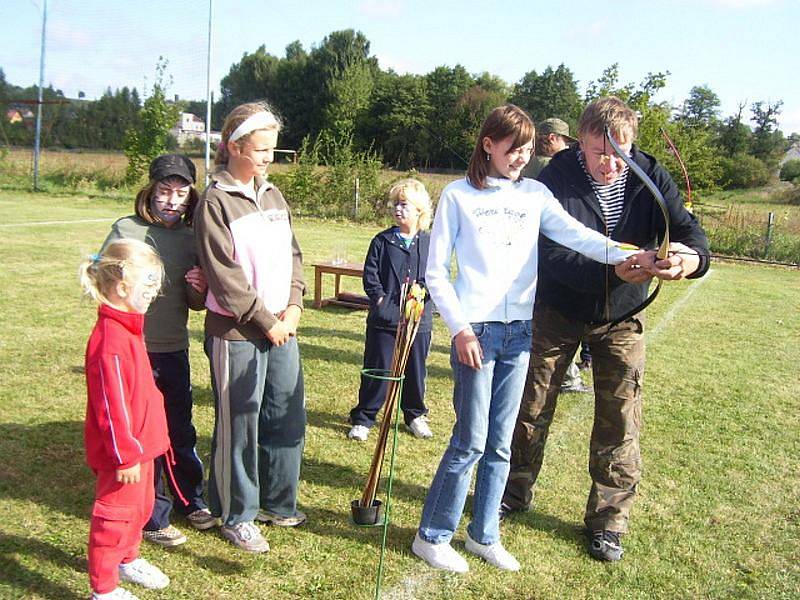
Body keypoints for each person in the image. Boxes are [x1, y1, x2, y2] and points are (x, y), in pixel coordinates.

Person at [411, 104, 640, 574]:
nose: (520, 156)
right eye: (512, 148)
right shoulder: (457, 196)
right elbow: (435, 272)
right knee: (469, 441)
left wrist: (630, 255)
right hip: (476, 332)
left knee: (500, 442)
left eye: (528, 149)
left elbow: (580, 236)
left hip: (521, 333)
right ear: (488, 145)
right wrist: (459, 328)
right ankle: (431, 536)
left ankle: (483, 535)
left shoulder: (534, 194)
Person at [502, 96, 710, 562]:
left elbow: (690, 232)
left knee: (619, 418)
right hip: (557, 310)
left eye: (622, 154)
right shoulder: (554, 177)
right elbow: (547, 253)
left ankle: (608, 521)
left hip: (621, 317)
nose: (612, 165)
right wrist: (612, 270)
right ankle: (511, 493)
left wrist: (687, 260)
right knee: (530, 406)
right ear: (582, 142)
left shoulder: (650, 175)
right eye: (601, 153)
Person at [194, 101, 306, 553]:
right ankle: (236, 514)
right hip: (236, 333)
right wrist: (266, 321)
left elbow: (293, 255)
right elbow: (225, 276)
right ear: (233, 145)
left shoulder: (274, 195)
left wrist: (293, 307)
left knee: (285, 414)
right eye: (260, 150)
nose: (267, 159)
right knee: (240, 422)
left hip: (283, 327)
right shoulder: (214, 202)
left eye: (272, 151)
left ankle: (278, 503)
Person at [101, 154, 216, 549]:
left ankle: (191, 499)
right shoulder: (125, 229)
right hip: (133, 352)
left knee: (179, 429)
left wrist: (198, 286)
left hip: (173, 350)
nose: (172, 200)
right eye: (164, 192)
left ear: (190, 196)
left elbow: (197, 303)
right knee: (143, 436)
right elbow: (105, 284)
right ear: (150, 191)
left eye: (180, 193)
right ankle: (153, 514)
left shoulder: (190, 237)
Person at [80, 239, 171, 600]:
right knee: (114, 516)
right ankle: (103, 589)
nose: (152, 293)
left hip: (142, 447)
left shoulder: (130, 329)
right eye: (147, 285)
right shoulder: (110, 341)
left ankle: (126, 559)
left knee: (140, 507)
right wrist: (126, 454)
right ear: (121, 287)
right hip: (125, 455)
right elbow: (112, 404)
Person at [348, 179, 435, 442]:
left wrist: (422, 295)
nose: (398, 209)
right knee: (379, 369)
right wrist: (381, 301)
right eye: (395, 204)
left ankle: (414, 415)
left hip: (418, 320)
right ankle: (364, 418)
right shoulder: (382, 241)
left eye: (404, 204)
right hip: (385, 320)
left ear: (419, 209)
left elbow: (436, 275)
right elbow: (370, 276)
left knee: (415, 370)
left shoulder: (430, 243)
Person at [523, 118, 589, 394]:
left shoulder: (527, 166)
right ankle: (567, 376)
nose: (566, 148)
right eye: (563, 141)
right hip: (552, 249)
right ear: (551, 139)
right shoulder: (549, 167)